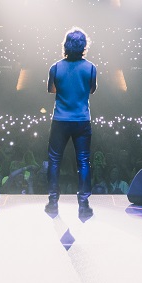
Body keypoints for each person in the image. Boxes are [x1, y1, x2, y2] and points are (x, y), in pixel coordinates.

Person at [44, 27, 97, 219]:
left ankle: (52, 202)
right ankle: (83, 205)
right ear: (84, 46)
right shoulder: (91, 68)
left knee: (54, 161)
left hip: (60, 120)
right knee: (83, 161)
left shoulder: (55, 67)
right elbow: (91, 90)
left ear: (66, 45)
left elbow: (51, 89)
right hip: (82, 120)